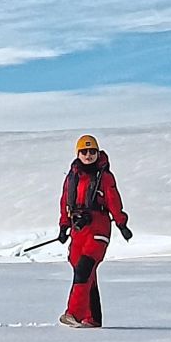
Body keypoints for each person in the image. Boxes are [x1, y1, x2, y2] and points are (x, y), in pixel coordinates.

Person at [57, 134, 132, 328]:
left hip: (98, 229)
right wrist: (64, 227)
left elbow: (113, 200)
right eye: (84, 151)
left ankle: (74, 313)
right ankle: (92, 318)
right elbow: (65, 202)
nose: (88, 155)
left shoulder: (104, 177)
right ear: (78, 153)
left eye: (92, 151)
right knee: (82, 271)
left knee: (85, 268)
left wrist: (121, 224)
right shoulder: (71, 178)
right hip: (78, 231)